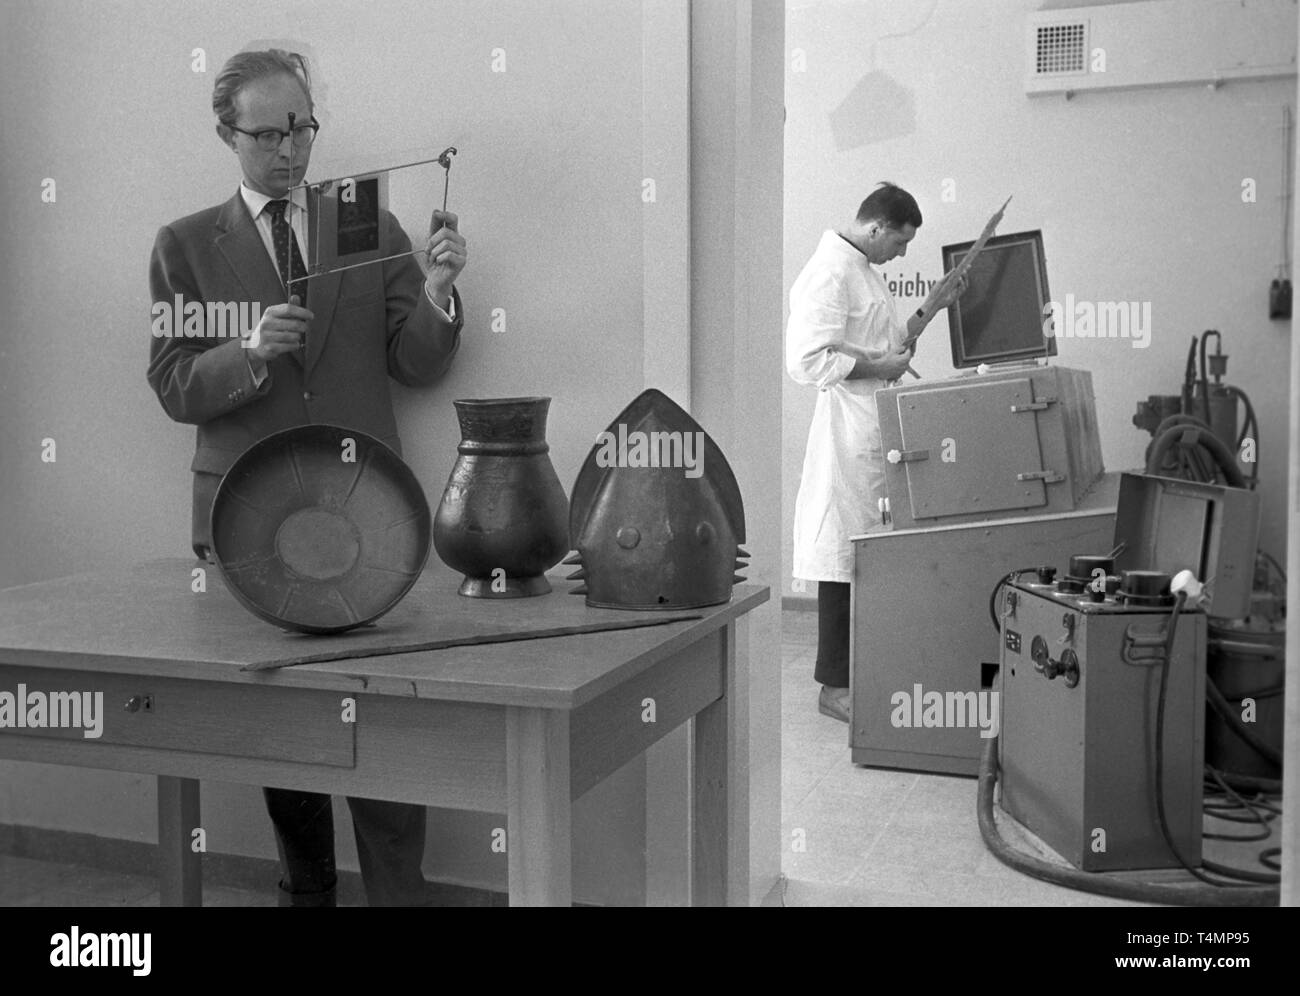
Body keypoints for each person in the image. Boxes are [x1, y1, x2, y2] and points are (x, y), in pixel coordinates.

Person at [147, 48, 467, 906]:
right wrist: (247, 352)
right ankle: (308, 894)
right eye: (268, 134)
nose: (290, 151)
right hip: (248, 520)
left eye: (302, 128)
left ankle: (401, 895)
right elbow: (174, 382)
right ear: (227, 133)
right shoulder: (183, 246)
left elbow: (416, 363)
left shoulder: (363, 220)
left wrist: (437, 289)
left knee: (388, 730)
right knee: (287, 742)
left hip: (370, 520)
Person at [786, 182, 965, 724]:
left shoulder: (863, 271)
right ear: (876, 227)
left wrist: (931, 308)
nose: (902, 254)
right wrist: (877, 370)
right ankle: (833, 688)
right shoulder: (830, 272)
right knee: (844, 556)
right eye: (901, 243)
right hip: (849, 432)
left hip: (874, 428)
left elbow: (886, 351)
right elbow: (805, 361)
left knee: (867, 555)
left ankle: (862, 669)